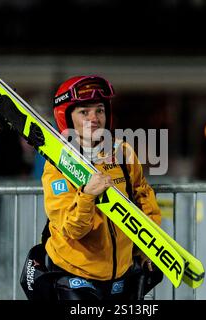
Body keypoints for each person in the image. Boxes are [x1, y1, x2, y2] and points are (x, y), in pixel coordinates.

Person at [39, 75, 162, 300]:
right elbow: (72, 230)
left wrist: (147, 250)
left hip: (121, 274)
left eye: (100, 110)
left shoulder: (122, 152)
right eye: (84, 112)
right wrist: (87, 195)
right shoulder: (58, 165)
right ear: (66, 117)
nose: (94, 118)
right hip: (75, 274)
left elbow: (142, 197)